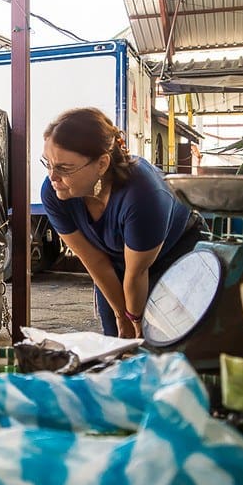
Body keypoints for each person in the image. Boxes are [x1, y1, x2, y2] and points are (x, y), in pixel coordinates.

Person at [40, 108, 206, 338]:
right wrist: (122, 315)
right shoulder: (54, 192)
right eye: (47, 163)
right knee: (116, 339)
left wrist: (135, 318)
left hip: (175, 252)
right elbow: (95, 260)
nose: (52, 176)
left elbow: (137, 273)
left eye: (64, 168)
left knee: (164, 337)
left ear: (101, 164)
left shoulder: (143, 195)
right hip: (119, 262)